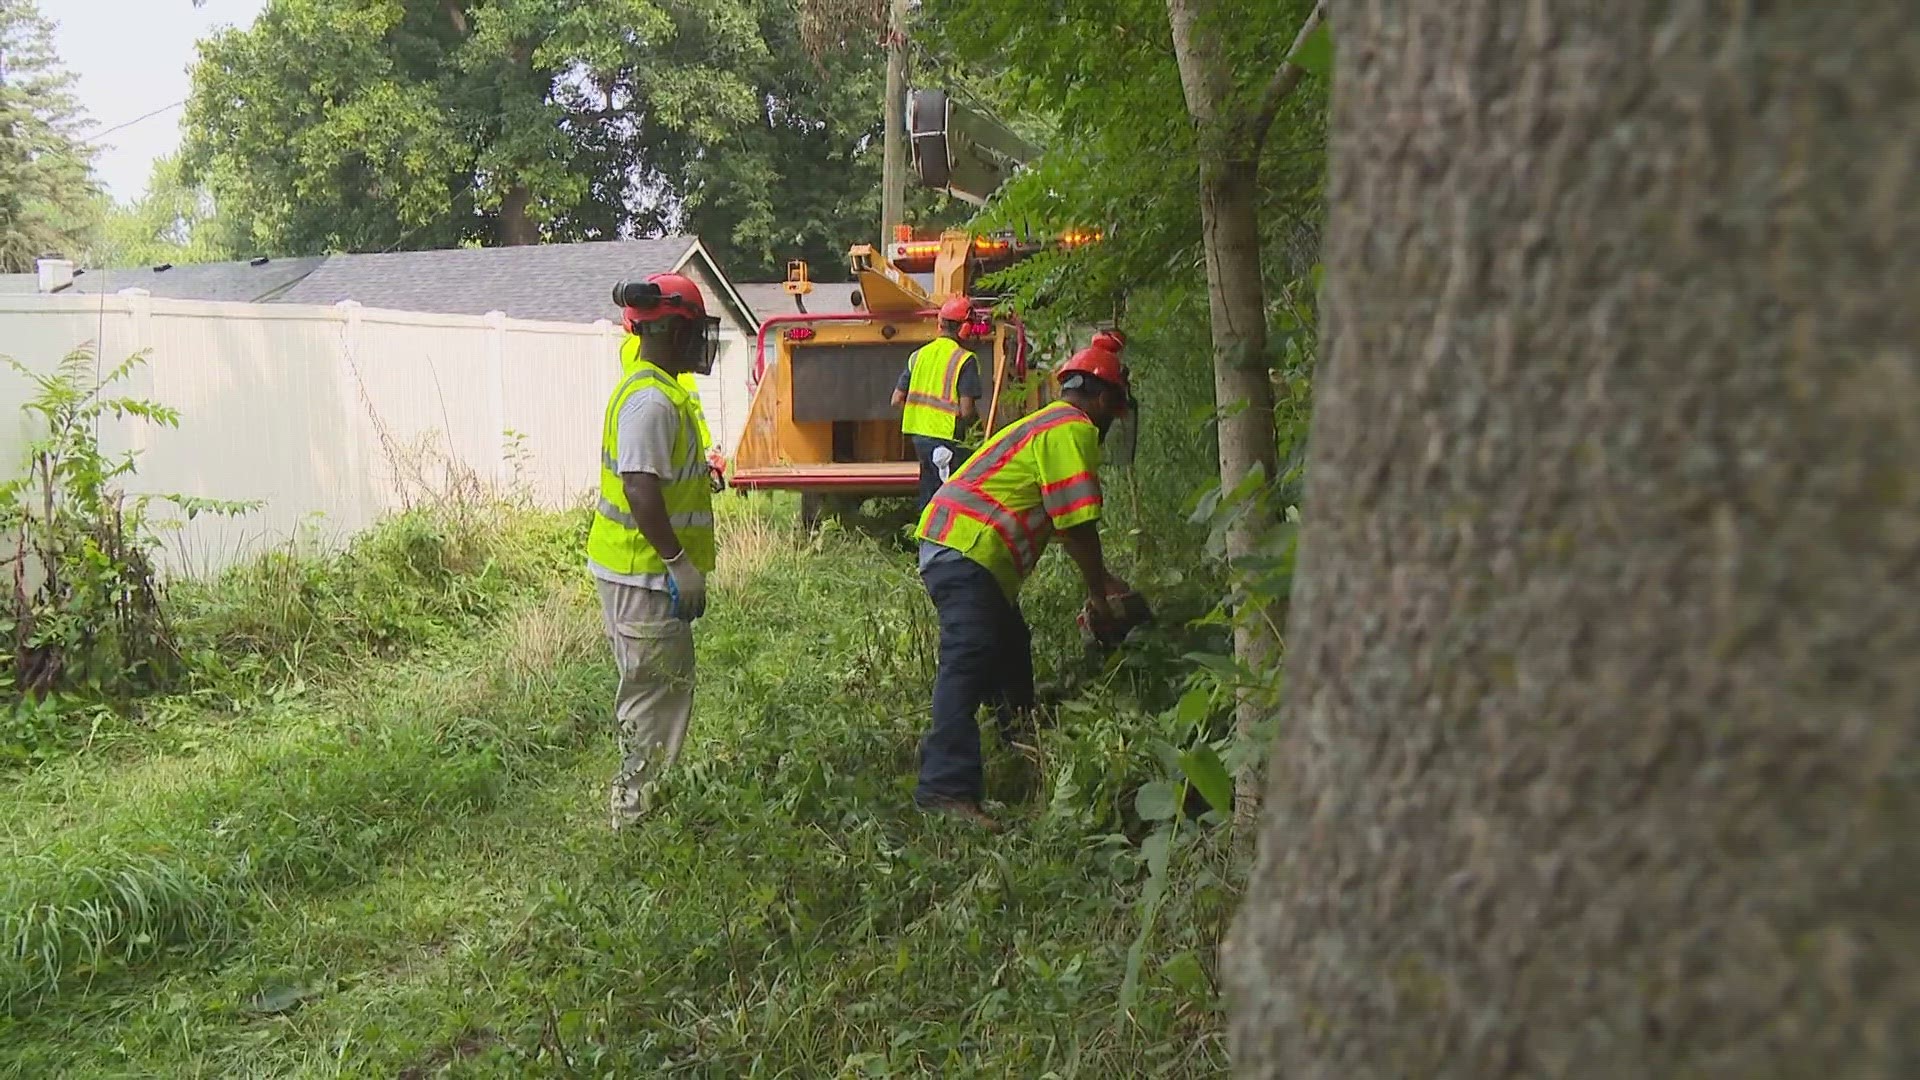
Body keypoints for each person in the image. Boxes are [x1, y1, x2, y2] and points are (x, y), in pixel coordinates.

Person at [910, 341, 1137, 827]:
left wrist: (1103, 580)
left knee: (1011, 645)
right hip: (967, 549)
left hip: (958, 545)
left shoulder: (1047, 423)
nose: (1110, 423)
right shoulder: (1072, 429)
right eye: (1113, 412)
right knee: (967, 660)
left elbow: (1051, 515)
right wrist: (1099, 595)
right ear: (1100, 401)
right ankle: (944, 790)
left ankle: (1020, 738)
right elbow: (1075, 523)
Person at [588, 272, 722, 829]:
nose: (700, 343)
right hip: (643, 577)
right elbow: (640, 488)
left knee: (659, 690)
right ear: (668, 330)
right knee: (651, 697)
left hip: (641, 575)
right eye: (693, 331)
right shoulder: (649, 401)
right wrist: (677, 564)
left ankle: (643, 805)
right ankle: (634, 818)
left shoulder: (662, 390)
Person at [892, 295, 984, 515]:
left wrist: (921, 414)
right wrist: (980, 434)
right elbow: (967, 410)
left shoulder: (918, 356)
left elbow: (896, 399)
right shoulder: (964, 359)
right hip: (948, 439)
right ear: (964, 329)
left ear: (940, 324)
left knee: (929, 492)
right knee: (950, 499)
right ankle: (942, 544)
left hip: (919, 438)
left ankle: (925, 542)